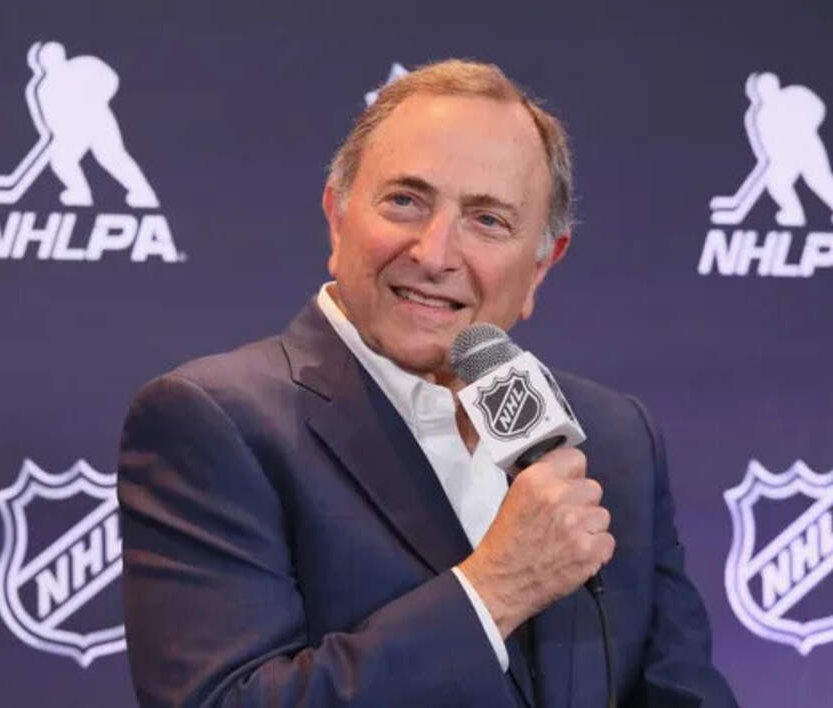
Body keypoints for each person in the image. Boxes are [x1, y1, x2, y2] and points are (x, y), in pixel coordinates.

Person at [118, 60, 738, 707]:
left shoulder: (612, 436)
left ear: (541, 266)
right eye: (405, 201)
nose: (434, 253)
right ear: (337, 217)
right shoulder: (216, 421)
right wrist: (494, 590)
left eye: (488, 220)